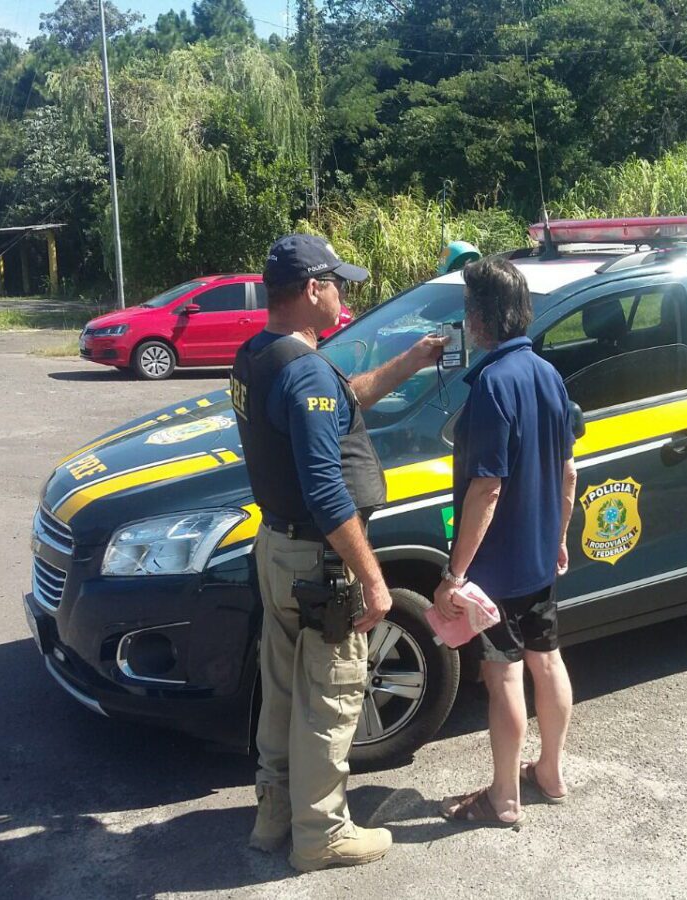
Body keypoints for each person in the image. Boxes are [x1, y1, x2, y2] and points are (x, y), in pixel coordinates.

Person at [231, 234, 444, 871]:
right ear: (311, 289)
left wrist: (412, 360)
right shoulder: (305, 373)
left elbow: (341, 400)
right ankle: (321, 833)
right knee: (331, 694)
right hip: (319, 565)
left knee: (281, 690)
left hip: (277, 549)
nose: (343, 295)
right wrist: (372, 578)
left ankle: (275, 814)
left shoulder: (260, 356)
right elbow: (326, 490)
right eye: (337, 284)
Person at [437, 257, 578, 828]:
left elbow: (487, 488)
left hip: (496, 569)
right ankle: (551, 773)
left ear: (481, 317)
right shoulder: (548, 374)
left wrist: (455, 575)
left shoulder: (493, 384)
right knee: (548, 660)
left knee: (505, 676)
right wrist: (558, 537)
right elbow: (568, 473)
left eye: (468, 308)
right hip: (539, 558)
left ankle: (504, 797)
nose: (465, 319)